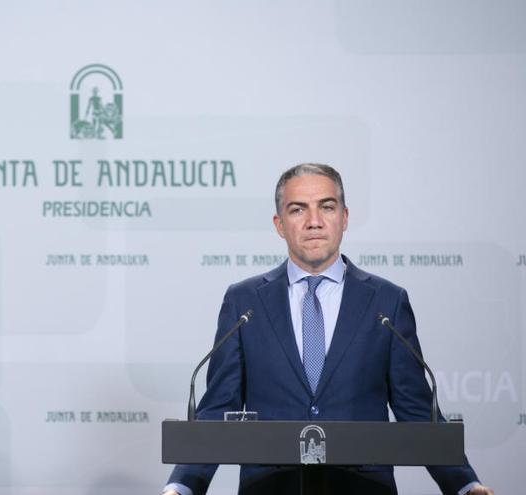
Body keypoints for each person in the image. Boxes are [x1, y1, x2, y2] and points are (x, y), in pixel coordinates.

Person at [163, 164, 492, 495]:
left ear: (344, 217)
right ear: (279, 224)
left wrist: (466, 485)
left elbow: (419, 411)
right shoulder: (244, 303)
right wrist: (182, 486)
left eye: (327, 206)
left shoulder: (387, 303)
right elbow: (217, 408)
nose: (314, 221)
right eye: (297, 209)